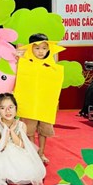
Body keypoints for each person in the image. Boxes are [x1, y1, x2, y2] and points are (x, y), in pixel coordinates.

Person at [13, 33, 65, 164]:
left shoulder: (51, 66)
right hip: (29, 104)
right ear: (31, 48)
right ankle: (32, 152)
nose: (41, 51)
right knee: (29, 130)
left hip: (44, 105)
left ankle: (41, 152)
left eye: (44, 48)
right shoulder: (24, 63)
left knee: (44, 130)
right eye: (37, 48)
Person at [0, 93, 46, 185]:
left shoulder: (22, 125)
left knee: (25, 170)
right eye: (2, 108)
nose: (7, 111)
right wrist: (6, 129)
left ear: (15, 108)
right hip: (1, 151)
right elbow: (0, 147)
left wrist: (12, 131)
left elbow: (21, 145)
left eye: (10, 107)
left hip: (18, 151)